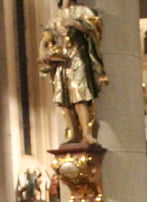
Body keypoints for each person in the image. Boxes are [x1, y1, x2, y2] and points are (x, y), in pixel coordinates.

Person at [38, 0, 108, 144]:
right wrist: (42, 51)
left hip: (77, 55)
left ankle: (86, 132)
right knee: (63, 97)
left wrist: (76, 24)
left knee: (79, 94)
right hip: (60, 59)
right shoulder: (55, 15)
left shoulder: (82, 11)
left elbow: (95, 30)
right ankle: (73, 133)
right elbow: (47, 36)